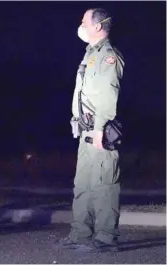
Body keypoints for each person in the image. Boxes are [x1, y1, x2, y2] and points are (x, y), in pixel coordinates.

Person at [58, 8, 125, 253]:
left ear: (97, 27)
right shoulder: (90, 54)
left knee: (104, 185)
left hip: (100, 132)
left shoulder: (108, 56)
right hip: (85, 132)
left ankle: (106, 239)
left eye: (84, 21)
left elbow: (108, 94)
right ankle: (80, 234)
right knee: (83, 185)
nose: (81, 25)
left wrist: (99, 129)